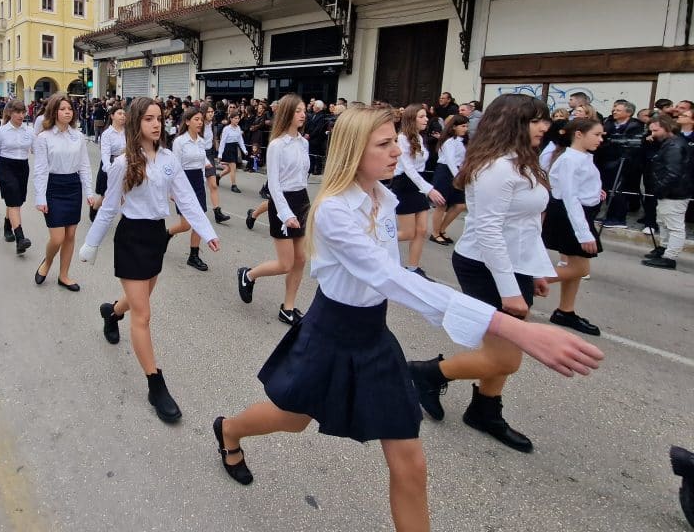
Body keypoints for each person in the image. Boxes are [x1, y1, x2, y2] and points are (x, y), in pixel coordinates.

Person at [212, 106, 602, 532]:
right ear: (352, 151)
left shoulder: (384, 196)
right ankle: (229, 430)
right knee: (291, 418)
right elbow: (391, 278)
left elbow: (394, 277)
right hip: (331, 332)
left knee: (410, 463)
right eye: (384, 143)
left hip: (373, 334)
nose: (397, 150)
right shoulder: (334, 211)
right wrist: (509, 326)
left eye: (395, 140)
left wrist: (530, 270)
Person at [408, 94, 560, 453]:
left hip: (514, 264)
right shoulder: (496, 168)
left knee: (500, 350)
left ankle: (484, 410)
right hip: (485, 265)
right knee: (507, 355)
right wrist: (510, 290)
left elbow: (526, 227)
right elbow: (490, 231)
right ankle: (428, 373)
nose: (545, 127)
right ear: (513, 123)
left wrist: (537, 270)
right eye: (537, 120)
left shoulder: (523, 163)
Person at [79, 97, 219, 423]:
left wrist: (206, 230)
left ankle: (111, 313)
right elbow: (110, 207)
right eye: (148, 119)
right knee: (143, 314)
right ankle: (156, 385)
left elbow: (186, 198)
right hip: (131, 239)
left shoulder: (169, 159)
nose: (156, 124)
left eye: (159, 118)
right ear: (135, 124)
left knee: (134, 299)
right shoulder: (123, 162)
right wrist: (91, 244)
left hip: (156, 237)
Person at [236, 94, 311, 325]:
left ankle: (287, 308)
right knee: (286, 263)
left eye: (304, 110)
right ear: (288, 113)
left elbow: (303, 178)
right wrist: (286, 214)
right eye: (298, 110)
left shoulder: (304, 142)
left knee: (300, 260)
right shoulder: (277, 145)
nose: (303, 114)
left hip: (302, 199)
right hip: (282, 202)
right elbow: (274, 185)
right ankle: (248, 274)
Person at [539, 118, 604, 336]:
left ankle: (565, 310)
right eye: (596, 134)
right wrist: (584, 233)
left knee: (574, 266)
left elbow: (581, 186)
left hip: (577, 213)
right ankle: (526, 283)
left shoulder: (582, 157)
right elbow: (569, 195)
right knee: (580, 268)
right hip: (569, 215)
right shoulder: (569, 159)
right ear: (579, 134)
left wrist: (596, 193)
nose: (600, 139)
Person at [32, 93, 94, 291]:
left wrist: (89, 192)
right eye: (62, 109)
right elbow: (40, 169)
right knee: (57, 237)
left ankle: (64, 275)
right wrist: (40, 196)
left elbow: (84, 165)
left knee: (70, 235)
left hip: (73, 185)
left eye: (70, 109)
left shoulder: (78, 136)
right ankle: (47, 262)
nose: (67, 112)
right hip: (53, 186)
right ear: (54, 111)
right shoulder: (44, 137)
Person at [392, 104, 444, 278]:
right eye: (421, 116)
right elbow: (408, 169)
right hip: (406, 184)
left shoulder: (419, 138)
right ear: (411, 119)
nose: (426, 119)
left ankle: (413, 268)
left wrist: (425, 188)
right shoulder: (402, 138)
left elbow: (419, 167)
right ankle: (374, 241)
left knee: (421, 230)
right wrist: (429, 189)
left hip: (418, 183)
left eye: (425, 116)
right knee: (408, 232)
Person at [167, 107, 215, 271]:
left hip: (198, 183)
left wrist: (203, 182)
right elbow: (175, 167)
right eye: (196, 119)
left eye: (201, 119)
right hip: (183, 183)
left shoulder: (201, 141)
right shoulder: (179, 141)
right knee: (186, 224)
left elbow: (202, 165)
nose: (200, 122)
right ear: (187, 121)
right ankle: (167, 234)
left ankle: (193, 256)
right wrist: (173, 190)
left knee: (199, 221)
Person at [0, 100, 33, 253]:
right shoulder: (1, 131)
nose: (21, 115)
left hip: (22, 167)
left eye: (23, 112)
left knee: (16, 201)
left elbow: (39, 151)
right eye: (17, 112)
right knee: (13, 199)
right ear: (10, 113)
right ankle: (20, 238)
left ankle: (7, 225)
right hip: (5, 166)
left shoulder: (29, 131)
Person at [642, 114, 691, 270]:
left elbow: (673, 173)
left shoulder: (674, 146)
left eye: (655, 130)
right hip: (668, 192)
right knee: (663, 222)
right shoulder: (669, 144)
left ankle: (670, 257)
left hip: (674, 193)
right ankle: (664, 248)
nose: (653, 134)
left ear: (666, 127)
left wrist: (659, 189)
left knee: (674, 226)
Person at [595, 100, 644, 228]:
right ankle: (609, 215)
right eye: (614, 109)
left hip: (624, 162)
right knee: (607, 188)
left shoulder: (635, 125)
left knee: (618, 190)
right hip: (606, 160)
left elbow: (632, 145)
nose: (614, 111)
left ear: (628, 113)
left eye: (618, 110)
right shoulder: (609, 123)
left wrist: (612, 142)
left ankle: (618, 218)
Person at [429, 114, 468, 245]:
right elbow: (450, 161)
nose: (466, 128)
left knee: (460, 205)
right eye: (463, 126)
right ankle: (435, 233)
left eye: (467, 126)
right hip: (445, 172)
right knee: (441, 204)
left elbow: (461, 160)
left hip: (456, 171)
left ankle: (442, 229)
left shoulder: (460, 141)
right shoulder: (449, 141)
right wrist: (458, 177)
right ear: (454, 127)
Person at [90, 105, 126, 222]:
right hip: (110, 164)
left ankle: (126, 221)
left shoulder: (128, 132)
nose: (122, 116)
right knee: (106, 195)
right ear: (112, 116)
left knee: (125, 194)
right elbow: (105, 153)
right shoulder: (107, 134)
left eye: (124, 114)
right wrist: (109, 168)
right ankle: (94, 208)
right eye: (119, 113)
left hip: (125, 164)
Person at [203, 104, 230, 223]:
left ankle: (217, 213)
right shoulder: (198, 124)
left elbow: (214, 139)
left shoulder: (212, 125)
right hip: (197, 155)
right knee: (195, 186)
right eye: (208, 111)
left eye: (212, 111)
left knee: (213, 185)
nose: (211, 113)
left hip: (209, 155)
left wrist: (218, 154)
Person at [218, 112, 247, 193]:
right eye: (235, 118)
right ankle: (233, 185)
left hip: (234, 148)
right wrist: (220, 153)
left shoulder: (238, 128)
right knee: (233, 167)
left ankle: (218, 176)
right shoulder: (226, 129)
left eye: (238, 118)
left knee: (229, 169)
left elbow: (240, 140)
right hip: (228, 149)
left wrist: (244, 150)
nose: (237, 120)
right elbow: (222, 142)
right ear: (231, 119)